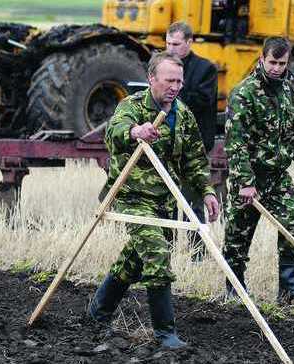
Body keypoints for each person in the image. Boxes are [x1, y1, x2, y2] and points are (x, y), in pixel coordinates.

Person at [89, 51, 220, 349]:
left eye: (179, 81)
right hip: (133, 196)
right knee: (157, 255)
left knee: (136, 259)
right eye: (169, 80)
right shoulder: (132, 107)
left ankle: (99, 310)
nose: (175, 87)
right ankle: (165, 333)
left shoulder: (183, 114)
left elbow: (195, 161)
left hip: (164, 200)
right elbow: (114, 132)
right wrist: (136, 131)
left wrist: (208, 191)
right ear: (152, 79)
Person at [223, 36, 294, 303]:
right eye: (272, 62)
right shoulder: (244, 93)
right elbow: (236, 143)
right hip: (249, 176)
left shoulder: (288, 89)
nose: (276, 68)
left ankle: (289, 288)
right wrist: (245, 182)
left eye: (281, 63)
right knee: (238, 234)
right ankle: (234, 288)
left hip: (277, 177)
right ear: (262, 59)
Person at [166, 21, 218, 260]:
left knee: (194, 200)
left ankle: (198, 255)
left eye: (175, 44)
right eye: (167, 43)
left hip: (194, 147)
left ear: (189, 42)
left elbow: (202, 101)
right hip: (167, 143)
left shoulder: (205, 69)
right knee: (165, 201)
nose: (170, 48)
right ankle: (165, 251)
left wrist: (171, 90)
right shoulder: (161, 66)